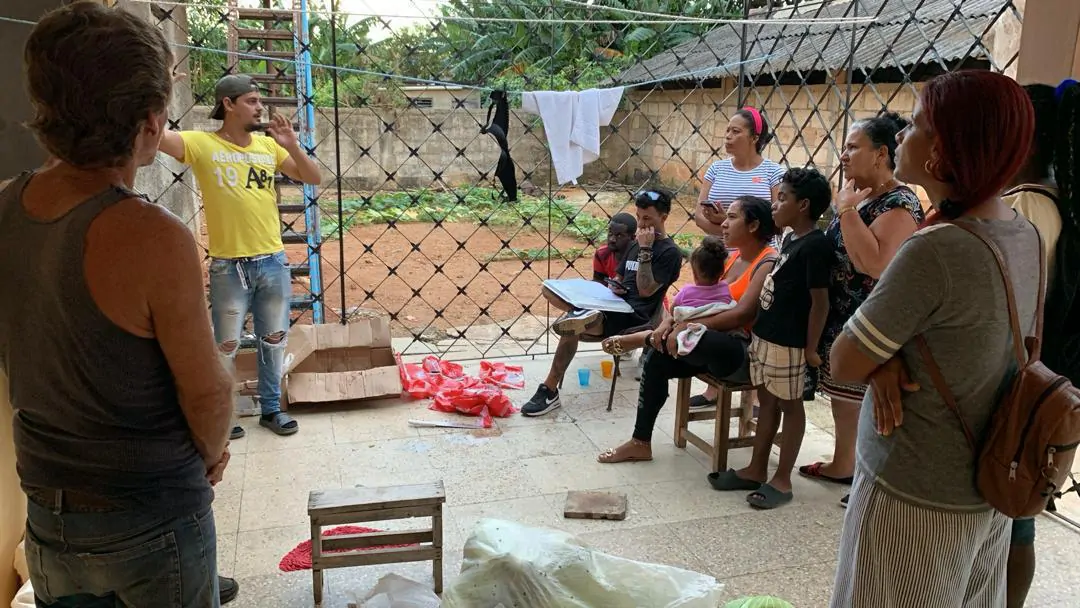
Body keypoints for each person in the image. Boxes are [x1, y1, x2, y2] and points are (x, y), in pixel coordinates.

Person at [0, 3, 234, 606]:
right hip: (151, 518)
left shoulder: (4, 206)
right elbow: (207, 393)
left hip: (48, 513)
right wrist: (211, 455)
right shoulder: (151, 235)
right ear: (150, 122)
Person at [828, 70, 1040, 607]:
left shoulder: (936, 248)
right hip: (988, 482)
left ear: (945, 147)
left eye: (917, 124)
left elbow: (845, 361)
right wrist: (888, 356)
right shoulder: (1024, 233)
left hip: (915, 489)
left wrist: (878, 357)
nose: (901, 134)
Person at [158, 73, 322, 438]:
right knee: (225, 345)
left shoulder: (268, 147)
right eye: (252, 101)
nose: (260, 107)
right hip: (228, 266)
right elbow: (156, 136)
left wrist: (292, 145)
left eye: (259, 100)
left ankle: (271, 409)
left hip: (272, 260)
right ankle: (225, 413)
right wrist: (161, 89)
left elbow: (313, 177)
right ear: (228, 104)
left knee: (273, 340)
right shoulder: (201, 144)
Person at [796, 113, 924, 505]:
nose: (844, 155)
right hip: (844, 318)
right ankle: (843, 463)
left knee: (872, 405)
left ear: (882, 153)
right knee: (845, 399)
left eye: (853, 147)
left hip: (874, 325)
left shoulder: (899, 204)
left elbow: (876, 264)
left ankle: (869, 481)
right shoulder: (861, 195)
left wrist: (847, 212)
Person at [596, 195, 779, 463]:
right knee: (657, 358)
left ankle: (645, 337)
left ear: (753, 226)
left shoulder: (768, 262)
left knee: (695, 338)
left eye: (731, 217)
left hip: (741, 354)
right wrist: (669, 322)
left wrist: (686, 325)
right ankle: (640, 442)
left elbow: (742, 314)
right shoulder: (734, 258)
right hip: (703, 345)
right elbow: (702, 301)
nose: (723, 224)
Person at [708, 168, 832, 510]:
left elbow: (820, 303)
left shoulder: (816, 245)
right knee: (768, 402)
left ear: (803, 205)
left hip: (790, 343)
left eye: (782, 198)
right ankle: (756, 468)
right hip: (766, 337)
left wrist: (811, 348)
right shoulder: (790, 240)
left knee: (790, 406)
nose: (774, 205)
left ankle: (782, 479)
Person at [521, 189, 683, 416]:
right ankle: (582, 312)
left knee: (572, 326)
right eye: (638, 217)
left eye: (647, 218)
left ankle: (549, 389)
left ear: (663, 217)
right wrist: (613, 286)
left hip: (634, 317)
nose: (641, 224)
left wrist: (646, 249)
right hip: (612, 304)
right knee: (549, 290)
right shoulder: (635, 244)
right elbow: (619, 277)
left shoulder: (669, 252)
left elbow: (646, 290)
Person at [693, 107, 784, 409]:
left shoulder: (772, 173)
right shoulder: (716, 170)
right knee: (714, 308)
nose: (728, 136)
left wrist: (731, 225)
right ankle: (712, 389)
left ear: (755, 137)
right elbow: (699, 215)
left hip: (758, 258)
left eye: (735, 131)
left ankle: (753, 393)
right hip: (719, 256)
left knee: (750, 317)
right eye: (727, 130)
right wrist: (726, 227)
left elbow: (777, 220)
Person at [599, 235, 733, 355]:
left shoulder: (686, 291)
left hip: (685, 335)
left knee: (663, 330)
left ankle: (636, 338)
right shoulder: (725, 289)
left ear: (695, 272)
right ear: (722, 271)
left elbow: (673, 311)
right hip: (715, 334)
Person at [592, 212, 637, 282]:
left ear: (632, 238)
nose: (612, 239)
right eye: (610, 232)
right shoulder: (602, 254)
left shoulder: (639, 257)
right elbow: (598, 284)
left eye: (619, 235)